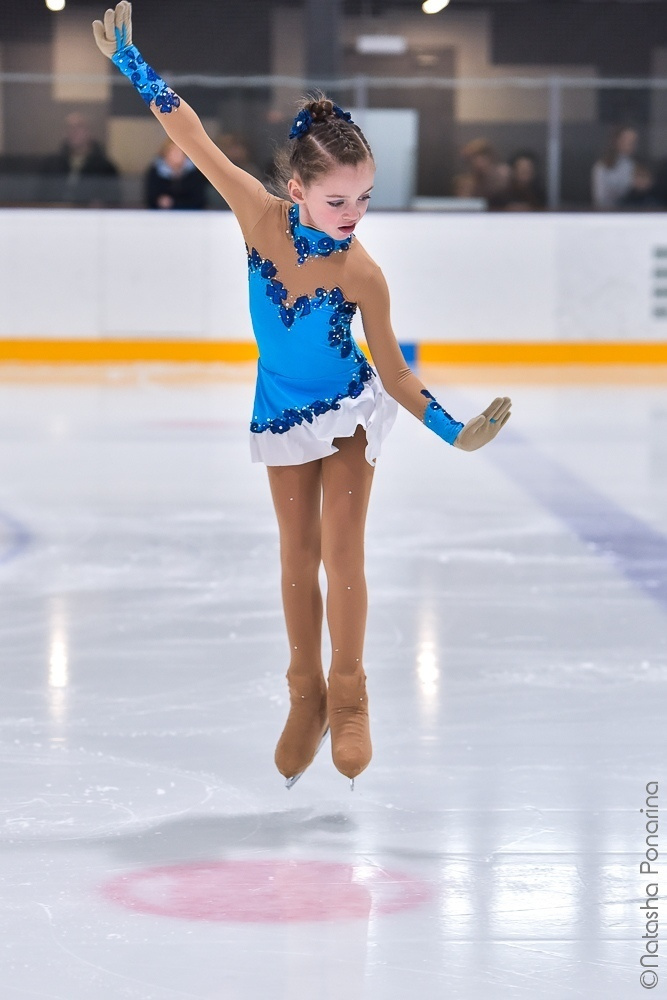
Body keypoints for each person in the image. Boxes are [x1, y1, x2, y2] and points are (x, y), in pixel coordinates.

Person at [92, 3, 512, 790]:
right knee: (295, 558)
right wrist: (132, 63)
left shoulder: (363, 273)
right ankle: (305, 696)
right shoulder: (256, 216)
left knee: (342, 548)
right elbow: (192, 137)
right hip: (280, 408)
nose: (353, 218)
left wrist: (453, 430)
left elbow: (390, 370)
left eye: (363, 200)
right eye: (337, 202)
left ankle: (350, 698)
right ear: (296, 188)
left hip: (350, 409)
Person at [40, 111, 119, 206]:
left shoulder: (105, 168)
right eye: (69, 127)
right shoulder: (51, 165)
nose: (73, 131)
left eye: (79, 126)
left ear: (90, 132)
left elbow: (114, 201)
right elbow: (39, 196)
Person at [145, 138, 207, 210]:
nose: (176, 155)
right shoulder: (155, 171)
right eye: (172, 151)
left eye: (179, 152)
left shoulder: (195, 172)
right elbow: (150, 198)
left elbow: (199, 199)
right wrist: (160, 201)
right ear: (165, 153)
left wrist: (175, 203)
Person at [591, 126, 638, 211]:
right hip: (608, 213)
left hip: (630, 212)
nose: (631, 144)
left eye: (633, 141)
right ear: (617, 141)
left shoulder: (632, 164)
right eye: (628, 141)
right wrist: (630, 186)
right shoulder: (603, 166)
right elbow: (600, 197)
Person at [454, 138, 510, 208]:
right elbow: (463, 205)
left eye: (480, 156)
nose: (477, 162)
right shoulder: (468, 182)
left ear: (489, 157)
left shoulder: (504, 174)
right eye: (472, 159)